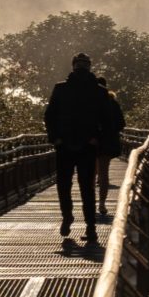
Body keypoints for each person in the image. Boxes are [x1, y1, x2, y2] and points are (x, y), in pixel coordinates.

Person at [44, 53, 109, 244]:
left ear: (73, 66)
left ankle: (68, 217)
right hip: (87, 145)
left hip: (64, 144)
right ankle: (90, 226)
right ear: (89, 67)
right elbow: (107, 121)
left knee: (64, 184)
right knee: (86, 187)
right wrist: (96, 139)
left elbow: (49, 116)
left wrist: (55, 138)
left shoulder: (61, 88)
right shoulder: (99, 91)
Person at [94, 75, 126, 214]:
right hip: (107, 143)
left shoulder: (89, 102)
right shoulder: (112, 103)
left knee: (90, 173)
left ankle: (90, 202)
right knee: (103, 173)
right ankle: (101, 204)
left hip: (90, 142)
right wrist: (111, 132)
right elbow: (121, 123)